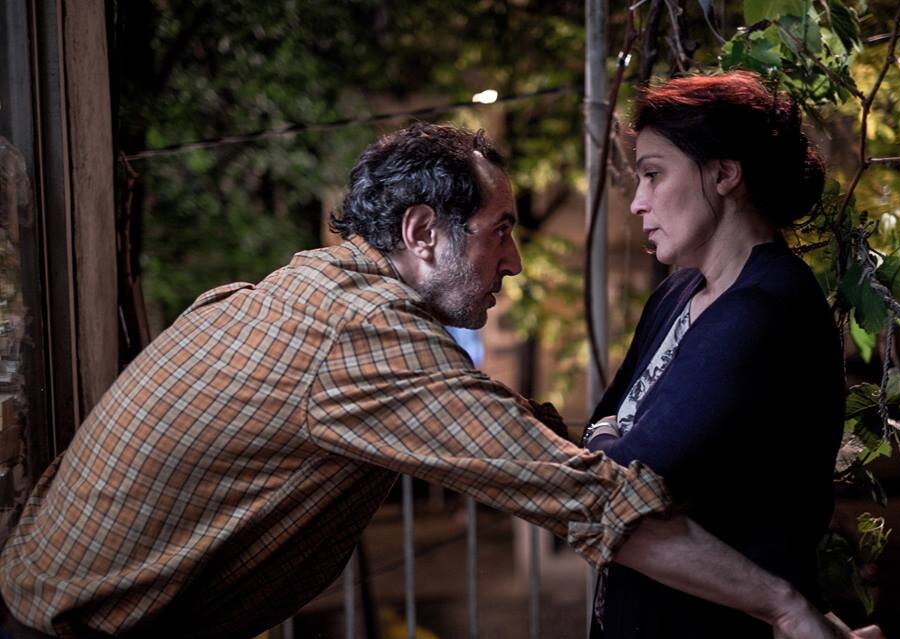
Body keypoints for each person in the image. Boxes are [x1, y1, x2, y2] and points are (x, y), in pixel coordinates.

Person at [1, 123, 849, 639]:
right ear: (421, 233)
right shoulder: (364, 338)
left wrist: (575, 439)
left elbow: (487, 424)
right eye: (499, 231)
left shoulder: (306, 290)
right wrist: (784, 606)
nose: (514, 261)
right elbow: (590, 501)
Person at [582, 72, 861, 638]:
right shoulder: (678, 293)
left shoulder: (765, 307)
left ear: (724, 173)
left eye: (653, 174)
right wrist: (607, 440)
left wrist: (606, 439)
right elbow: (600, 445)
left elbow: (616, 479)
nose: (637, 203)